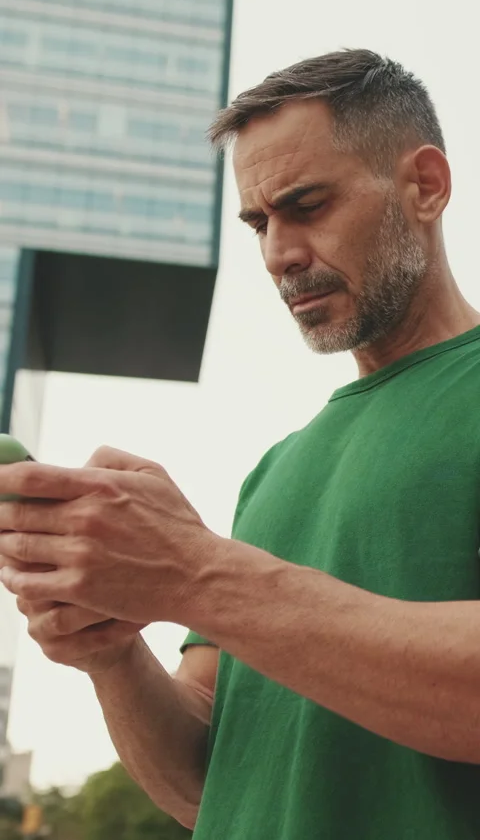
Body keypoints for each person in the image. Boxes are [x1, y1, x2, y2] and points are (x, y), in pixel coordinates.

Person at [1, 48, 480, 839]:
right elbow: (202, 785)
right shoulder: (273, 473)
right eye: (261, 222)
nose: (278, 255)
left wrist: (193, 569)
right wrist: (111, 648)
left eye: (308, 204)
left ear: (424, 185)